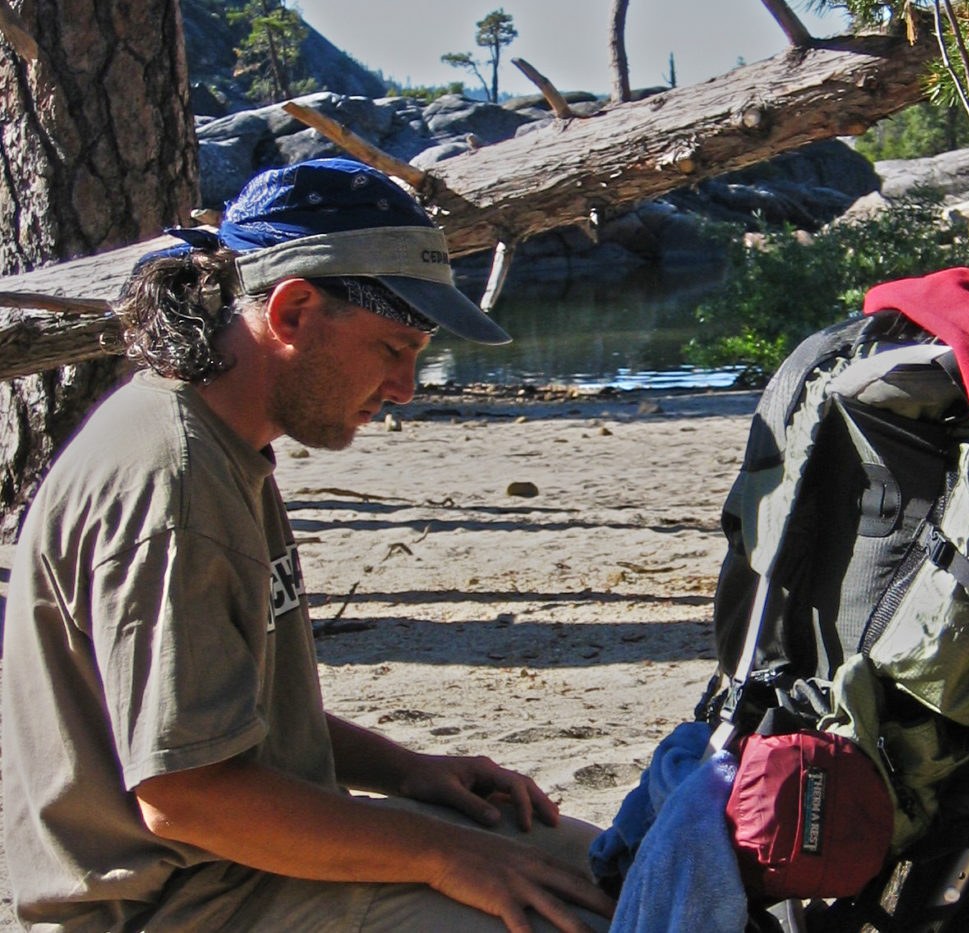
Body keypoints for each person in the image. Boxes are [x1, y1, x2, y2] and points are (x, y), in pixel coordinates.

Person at [0, 159, 615, 933]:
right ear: (292, 310)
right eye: (394, 348)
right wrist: (443, 853)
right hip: (170, 907)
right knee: (564, 922)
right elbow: (186, 793)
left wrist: (407, 772)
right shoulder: (174, 481)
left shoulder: (225, 445)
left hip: (242, 872)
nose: (405, 388)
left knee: (613, 871)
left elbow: (215, 720)